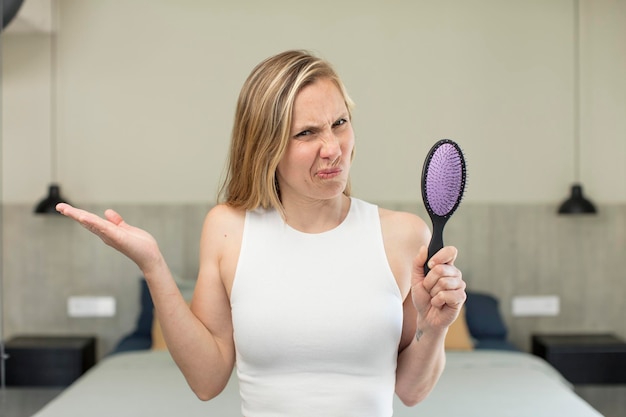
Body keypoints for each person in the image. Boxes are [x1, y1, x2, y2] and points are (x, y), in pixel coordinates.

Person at [56, 49, 465, 417]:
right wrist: (154, 266)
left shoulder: (404, 235)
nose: (333, 148)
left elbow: (411, 392)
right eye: (307, 133)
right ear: (265, 146)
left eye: (339, 123)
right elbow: (207, 380)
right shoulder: (227, 229)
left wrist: (436, 326)